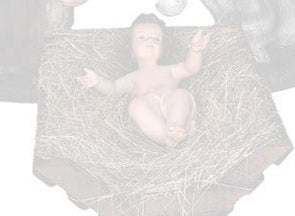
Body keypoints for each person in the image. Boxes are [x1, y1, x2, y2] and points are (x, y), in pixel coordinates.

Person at [78, 15, 210, 147]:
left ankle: (178, 127)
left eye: (156, 39)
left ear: (163, 50)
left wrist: (195, 51)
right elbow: (113, 88)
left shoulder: (170, 70)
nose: (150, 41)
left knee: (180, 95)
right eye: (142, 37)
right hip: (152, 114)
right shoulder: (131, 78)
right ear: (131, 50)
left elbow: (190, 68)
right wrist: (98, 82)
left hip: (172, 107)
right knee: (136, 106)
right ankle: (167, 138)